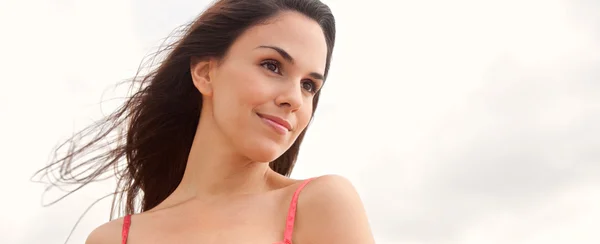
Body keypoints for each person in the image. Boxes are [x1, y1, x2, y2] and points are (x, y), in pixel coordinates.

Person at [36, 0, 374, 243]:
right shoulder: (114, 239)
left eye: (309, 85)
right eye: (272, 65)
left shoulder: (320, 204)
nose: (294, 98)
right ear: (205, 72)